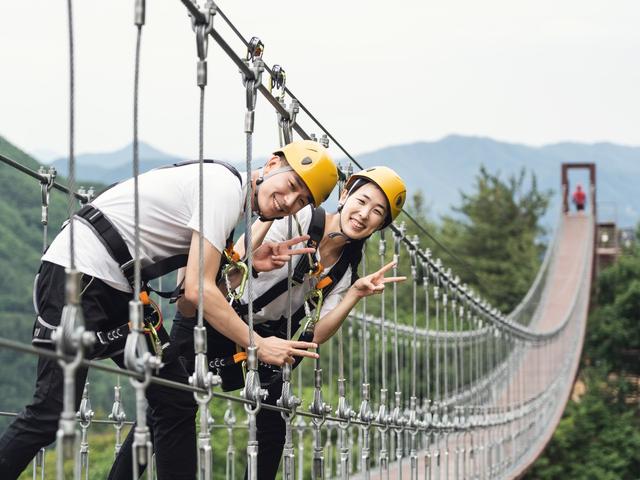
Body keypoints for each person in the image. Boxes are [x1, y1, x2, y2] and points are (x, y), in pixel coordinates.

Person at [0, 140, 338, 480]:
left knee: (175, 398)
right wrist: (259, 344)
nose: (290, 202)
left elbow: (188, 296)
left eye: (302, 202)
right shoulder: (222, 187)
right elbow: (196, 289)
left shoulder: (228, 198)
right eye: (292, 185)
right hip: (79, 275)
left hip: (116, 287)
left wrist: (248, 263)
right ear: (270, 165)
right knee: (53, 411)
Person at [112, 166, 407, 479]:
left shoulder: (346, 270)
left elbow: (312, 337)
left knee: (273, 422)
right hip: (220, 315)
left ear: (380, 225)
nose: (363, 214)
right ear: (344, 195)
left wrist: (353, 296)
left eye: (376, 212)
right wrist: (266, 223)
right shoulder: (301, 217)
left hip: (267, 340)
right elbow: (230, 264)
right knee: (166, 406)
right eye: (362, 201)